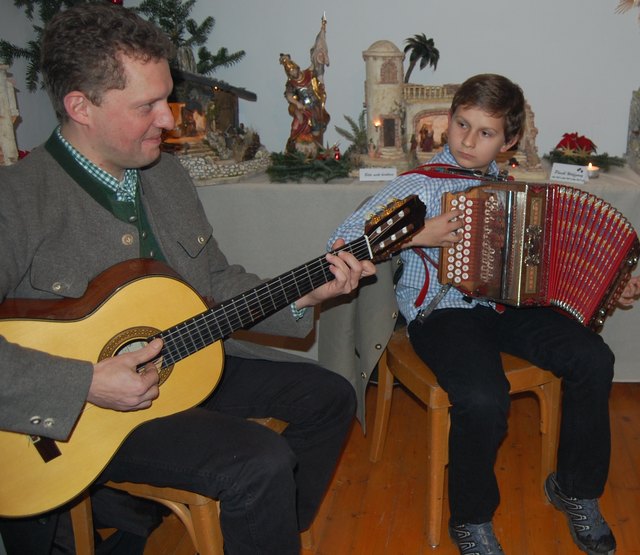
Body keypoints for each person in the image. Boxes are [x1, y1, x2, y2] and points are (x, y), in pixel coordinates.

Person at [0, 3, 376, 554]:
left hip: (189, 364)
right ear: (81, 106)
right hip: (86, 417)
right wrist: (85, 383)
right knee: (260, 460)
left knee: (331, 395)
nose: (170, 120)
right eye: (147, 105)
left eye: (166, 98)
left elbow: (216, 280)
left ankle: (269, 528)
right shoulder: (17, 201)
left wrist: (307, 294)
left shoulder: (165, 175)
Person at [330, 73, 639, 555]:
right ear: (448, 120)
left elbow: (556, 262)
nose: (468, 141)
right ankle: (470, 519)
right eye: (461, 124)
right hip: (444, 314)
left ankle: (575, 489)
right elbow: (344, 243)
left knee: (593, 358)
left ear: (510, 139)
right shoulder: (417, 186)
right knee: (482, 395)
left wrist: (610, 287)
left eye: (486, 132)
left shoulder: (514, 187)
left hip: (510, 307)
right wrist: (419, 235)